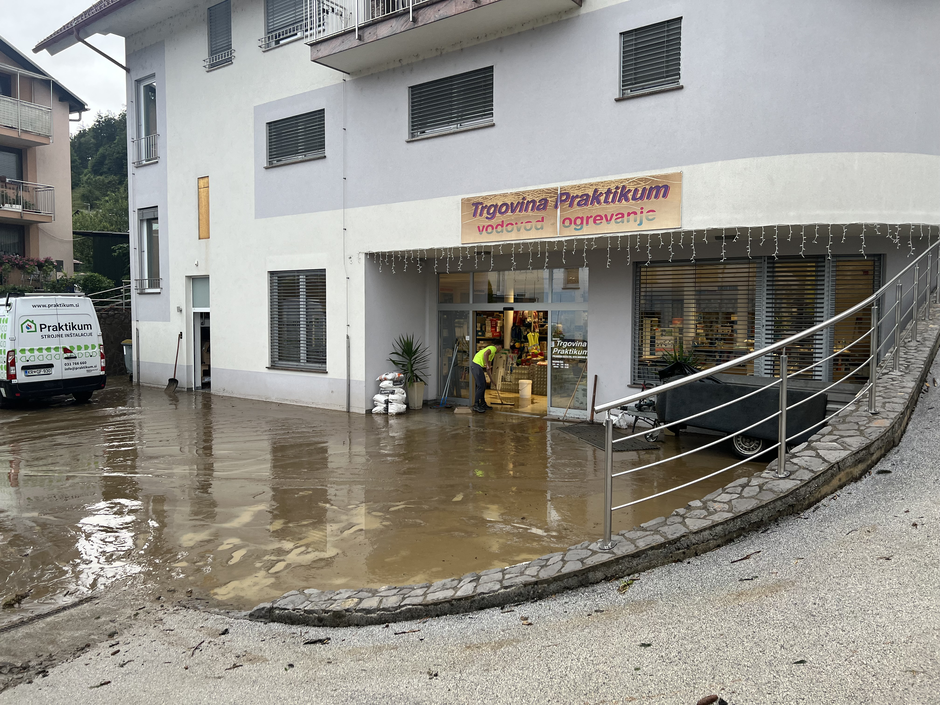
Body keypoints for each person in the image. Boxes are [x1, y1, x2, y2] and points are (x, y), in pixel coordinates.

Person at [471, 342, 502, 413]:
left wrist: (492, 380)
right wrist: (487, 365)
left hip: (478, 367)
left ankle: (482, 403)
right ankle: (476, 405)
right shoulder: (493, 348)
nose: (500, 350)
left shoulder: (493, 354)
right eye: (501, 348)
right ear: (499, 346)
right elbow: (485, 354)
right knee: (480, 386)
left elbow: (488, 369)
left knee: (483, 385)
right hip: (476, 365)